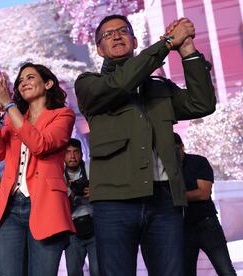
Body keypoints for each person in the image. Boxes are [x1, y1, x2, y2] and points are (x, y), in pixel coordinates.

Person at [75, 14, 216, 275]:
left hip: (164, 200)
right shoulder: (89, 84)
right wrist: (166, 43)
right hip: (114, 201)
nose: (116, 36)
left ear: (135, 40)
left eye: (123, 31)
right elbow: (121, 82)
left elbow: (202, 103)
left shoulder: (160, 88)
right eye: (108, 34)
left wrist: (186, 50)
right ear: (99, 49)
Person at [0, 62, 76, 276]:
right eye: (20, 80)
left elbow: (40, 145)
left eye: (30, 77)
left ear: (48, 83)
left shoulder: (63, 115)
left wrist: (9, 105)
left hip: (45, 204)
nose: (23, 83)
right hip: (10, 209)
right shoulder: (14, 118)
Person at [174, 133, 236, 276]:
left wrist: (175, 197)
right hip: (181, 227)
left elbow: (203, 193)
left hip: (206, 224)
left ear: (182, 147)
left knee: (225, 270)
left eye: (175, 149)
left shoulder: (198, 162)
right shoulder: (164, 168)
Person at [64, 138, 99, 276]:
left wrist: (96, 192)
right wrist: (70, 193)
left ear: (81, 154)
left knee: (97, 271)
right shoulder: (59, 175)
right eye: (68, 152)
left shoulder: (92, 170)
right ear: (63, 155)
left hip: (94, 225)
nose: (72, 156)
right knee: (73, 272)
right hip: (72, 229)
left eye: (76, 152)